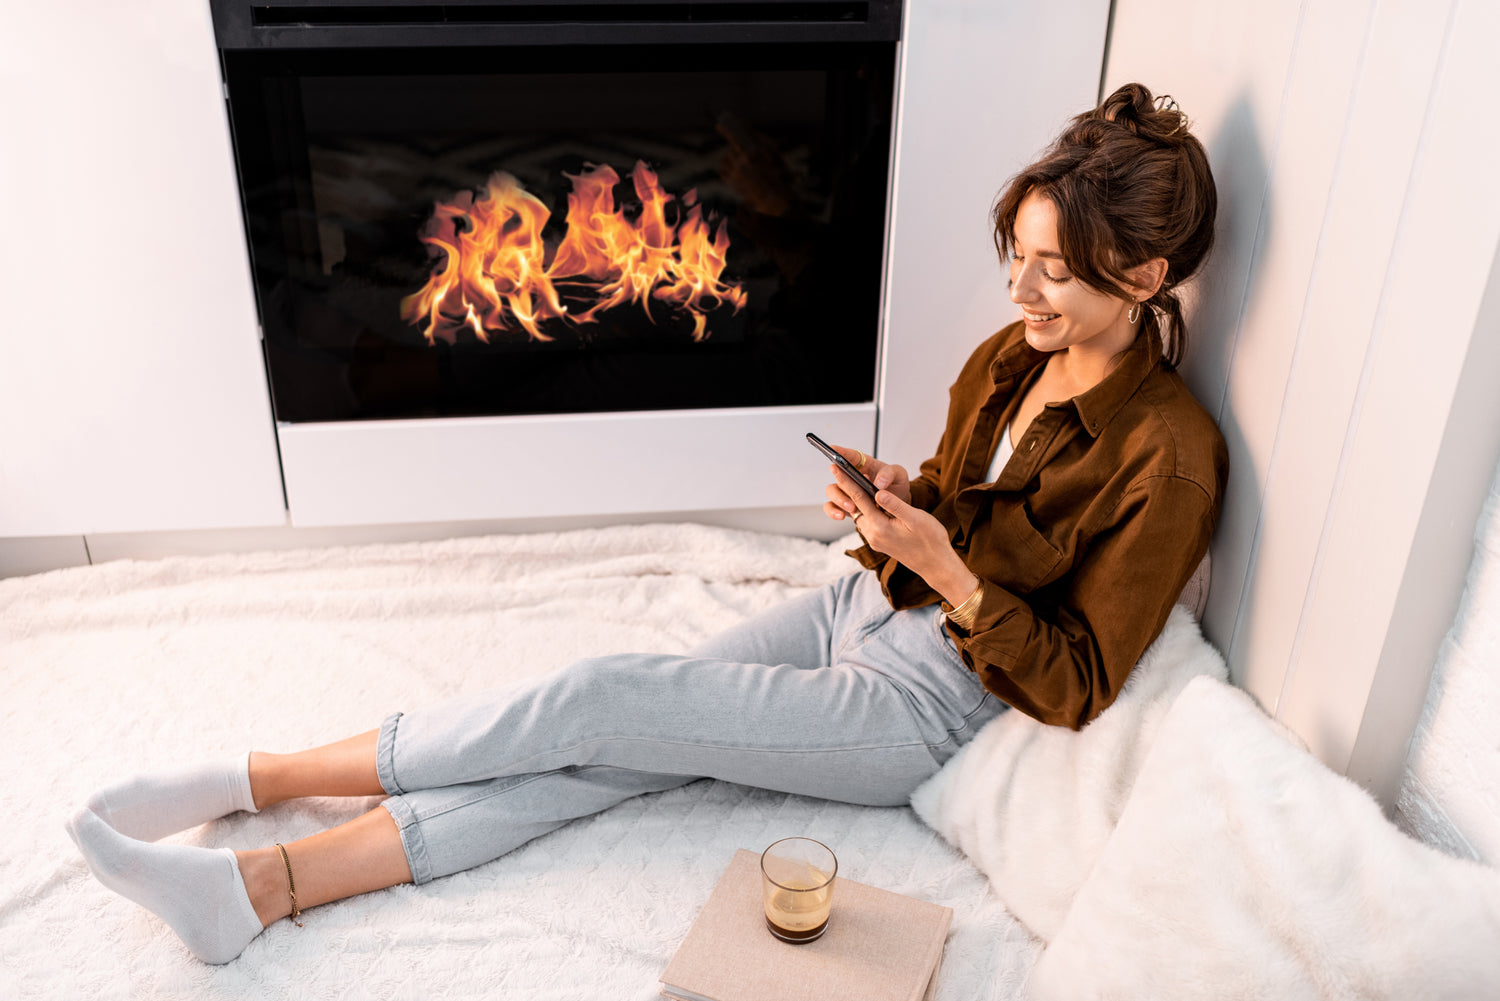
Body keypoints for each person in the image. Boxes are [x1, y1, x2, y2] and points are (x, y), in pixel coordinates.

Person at [66, 82, 1227, 965]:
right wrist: (900, 504)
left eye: (1055, 276)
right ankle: (258, 889)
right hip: (854, 600)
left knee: (600, 697)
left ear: (1145, 274)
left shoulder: (1168, 458)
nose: (1020, 295)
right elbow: (961, 496)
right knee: (604, 754)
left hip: (918, 699)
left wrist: (953, 574)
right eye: (1017, 260)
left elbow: (1077, 678)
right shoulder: (1011, 357)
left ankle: (261, 776)